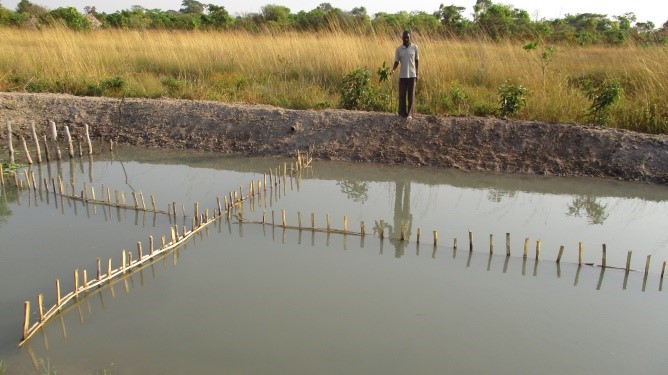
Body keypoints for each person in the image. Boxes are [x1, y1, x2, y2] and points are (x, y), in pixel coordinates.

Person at [391, 30, 419, 119]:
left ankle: (410, 114)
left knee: (411, 95)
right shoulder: (398, 49)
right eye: (404, 37)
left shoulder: (415, 47)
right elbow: (396, 61)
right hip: (402, 75)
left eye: (407, 37)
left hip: (412, 75)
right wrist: (393, 70)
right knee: (402, 94)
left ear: (410, 37)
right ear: (402, 38)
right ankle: (402, 112)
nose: (406, 39)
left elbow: (417, 60)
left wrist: (417, 73)